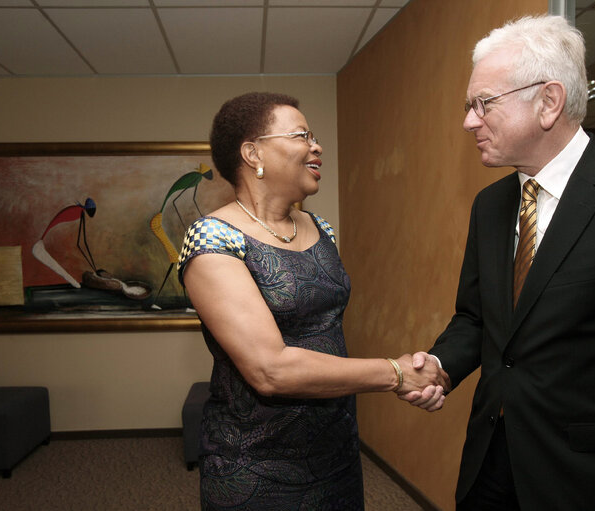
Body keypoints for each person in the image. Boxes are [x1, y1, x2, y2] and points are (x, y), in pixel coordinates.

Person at [401, 15, 595, 511]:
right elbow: (478, 319)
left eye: (483, 104)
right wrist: (440, 364)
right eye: (469, 106)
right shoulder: (491, 205)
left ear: (548, 101)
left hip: (593, 482)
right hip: (492, 467)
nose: (468, 121)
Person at [177, 92, 449, 510]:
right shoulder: (213, 238)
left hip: (336, 451)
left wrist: (419, 373)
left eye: (314, 135)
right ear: (253, 153)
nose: (316, 145)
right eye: (301, 135)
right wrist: (396, 373)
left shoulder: (321, 228)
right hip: (257, 467)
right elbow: (270, 370)